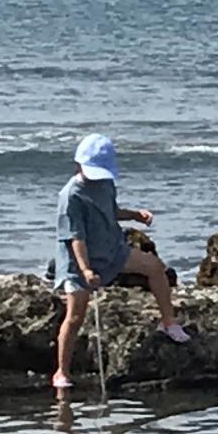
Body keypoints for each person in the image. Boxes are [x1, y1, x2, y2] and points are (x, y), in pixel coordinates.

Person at [51, 132, 189, 390]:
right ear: (78, 165)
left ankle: (168, 322)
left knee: (156, 268)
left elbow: (110, 211)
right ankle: (62, 372)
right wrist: (86, 270)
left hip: (112, 250)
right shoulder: (70, 196)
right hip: (77, 262)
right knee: (76, 314)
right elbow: (75, 238)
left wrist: (135, 215)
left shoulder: (105, 184)